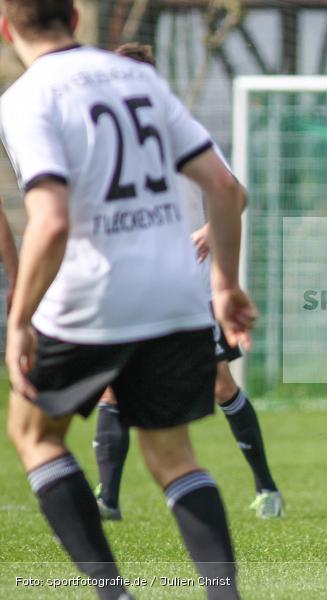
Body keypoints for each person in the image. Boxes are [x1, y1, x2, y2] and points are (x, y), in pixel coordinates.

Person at [1, 2, 255, 599]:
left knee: (34, 432)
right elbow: (223, 187)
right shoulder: (139, 77)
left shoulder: (27, 96)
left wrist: (19, 318)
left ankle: (114, 594)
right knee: (173, 455)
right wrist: (225, 283)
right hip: (173, 292)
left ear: (7, 29)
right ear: (75, 17)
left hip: (91, 293)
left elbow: (52, 219)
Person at [92, 42, 283, 523]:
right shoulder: (102, 138)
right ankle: (107, 501)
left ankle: (267, 487)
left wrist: (205, 232)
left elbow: (232, 194)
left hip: (188, 288)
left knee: (219, 384)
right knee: (112, 387)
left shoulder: (182, 132)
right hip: (128, 285)